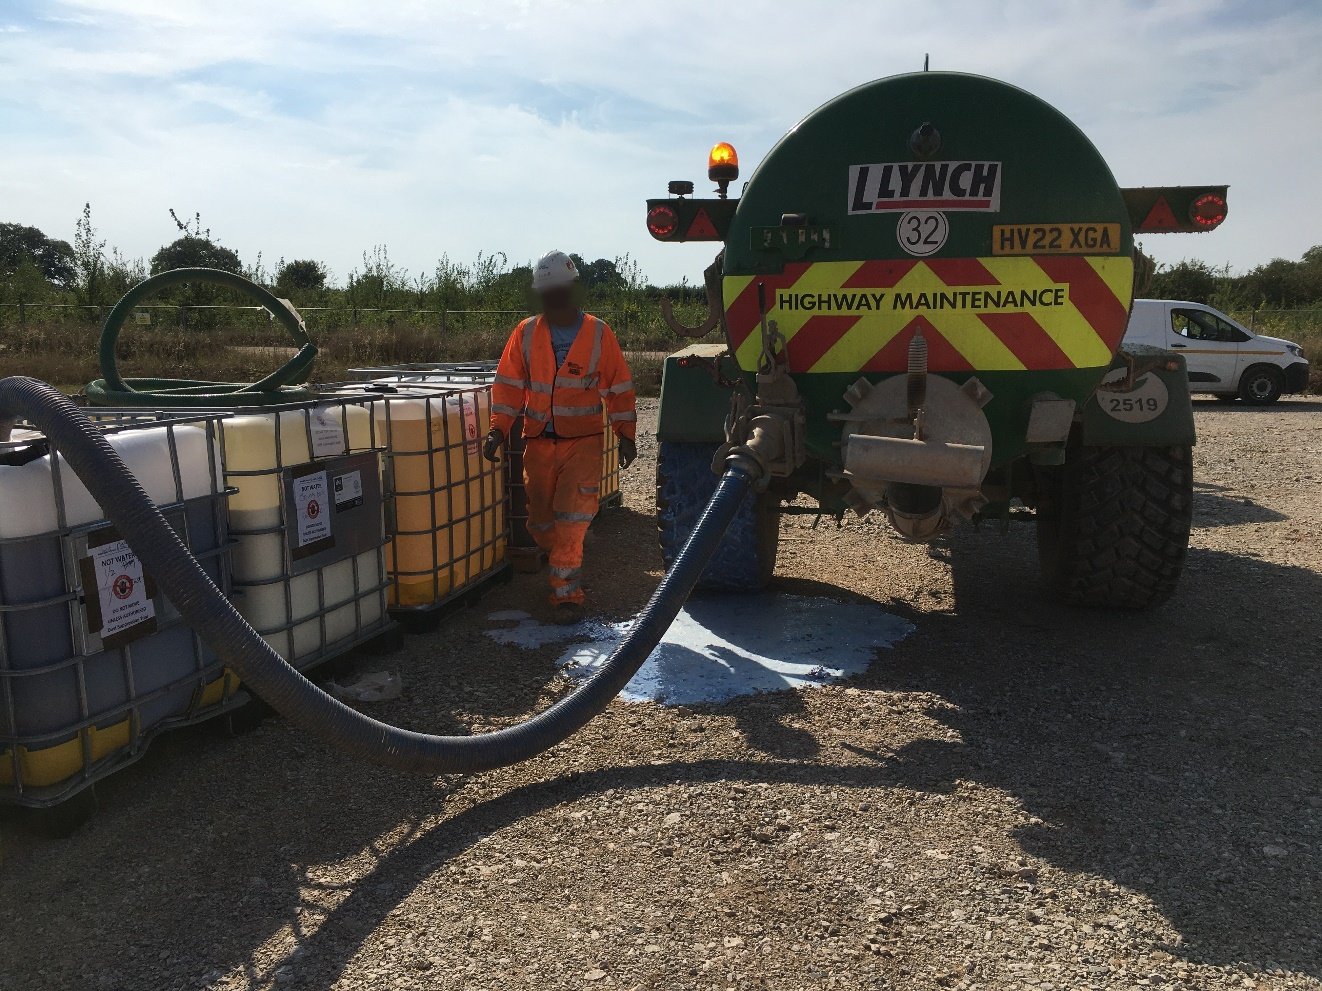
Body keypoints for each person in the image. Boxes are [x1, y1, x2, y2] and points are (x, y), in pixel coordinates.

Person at [483, 250, 638, 625]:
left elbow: (618, 387)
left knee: (571, 517)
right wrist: (497, 429)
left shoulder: (599, 333)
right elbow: (507, 386)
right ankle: (566, 555)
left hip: (582, 442)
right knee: (539, 522)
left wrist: (626, 433)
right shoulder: (526, 333)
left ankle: (566, 593)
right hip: (538, 441)